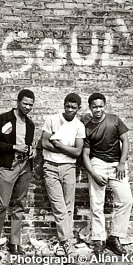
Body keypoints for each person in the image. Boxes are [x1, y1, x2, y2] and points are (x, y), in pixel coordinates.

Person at [0, 89, 35, 258]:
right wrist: (13, 147)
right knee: (2, 204)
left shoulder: (30, 124)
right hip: (8, 166)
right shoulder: (5, 118)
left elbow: (29, 144)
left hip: (25, 166)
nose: (27, 107)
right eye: (25, 103)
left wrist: (32, 151)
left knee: (19, 204)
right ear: (18, 102)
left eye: (31, 105)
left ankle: (14, 243)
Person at [82, 93, 133, 256]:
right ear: (90, 107)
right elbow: (85, 155)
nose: (98, 109)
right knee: (96, 203)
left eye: (100, 106)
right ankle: (99, 239)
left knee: (126, 200)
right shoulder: (88, 127)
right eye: (94, 106)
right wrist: (94, 174)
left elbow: (125, 141)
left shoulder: (114, 120)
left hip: (117, 164)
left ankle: (115, 237)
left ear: (105, 106)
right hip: (97, 163)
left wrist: (122, 163)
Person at [41, 93, 85, 255]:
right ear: (64, 104)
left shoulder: (79, 126)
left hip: (69, 168)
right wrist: (67, 149)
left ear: (78, 109)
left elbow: (77, 152)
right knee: (59, 206)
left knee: (68, 206)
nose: (70, 110)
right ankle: (68, 243)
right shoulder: (52, 120)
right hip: (50, 167)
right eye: (67, 106)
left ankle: (64, 241)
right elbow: (44, 142)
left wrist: (58, 144)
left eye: (73, 107)